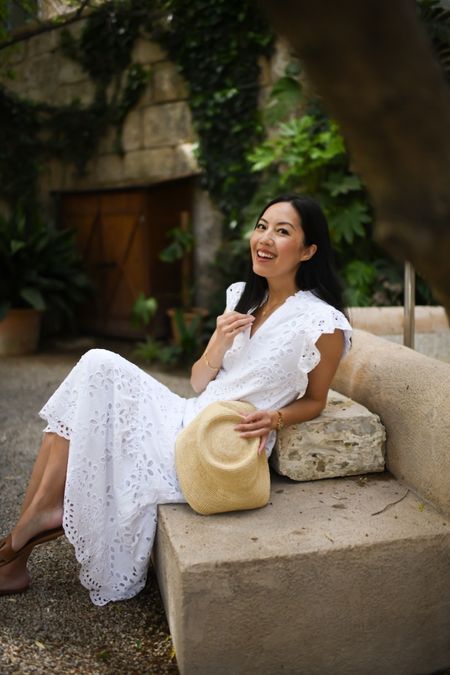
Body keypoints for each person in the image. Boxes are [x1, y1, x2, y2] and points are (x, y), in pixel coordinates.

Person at [0, 194, 352, 605]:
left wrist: (276, 417)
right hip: (189, 410)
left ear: (309, 251)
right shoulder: (244, 297)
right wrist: (219, 340)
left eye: (282, 231)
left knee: (93, 376)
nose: (265, 238)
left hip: (214, 436)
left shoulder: (322, 322)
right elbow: (199, 380)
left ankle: (15, 550)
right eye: (262, 226)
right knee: (92, 375)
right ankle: (22, 542)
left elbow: (315, 400)